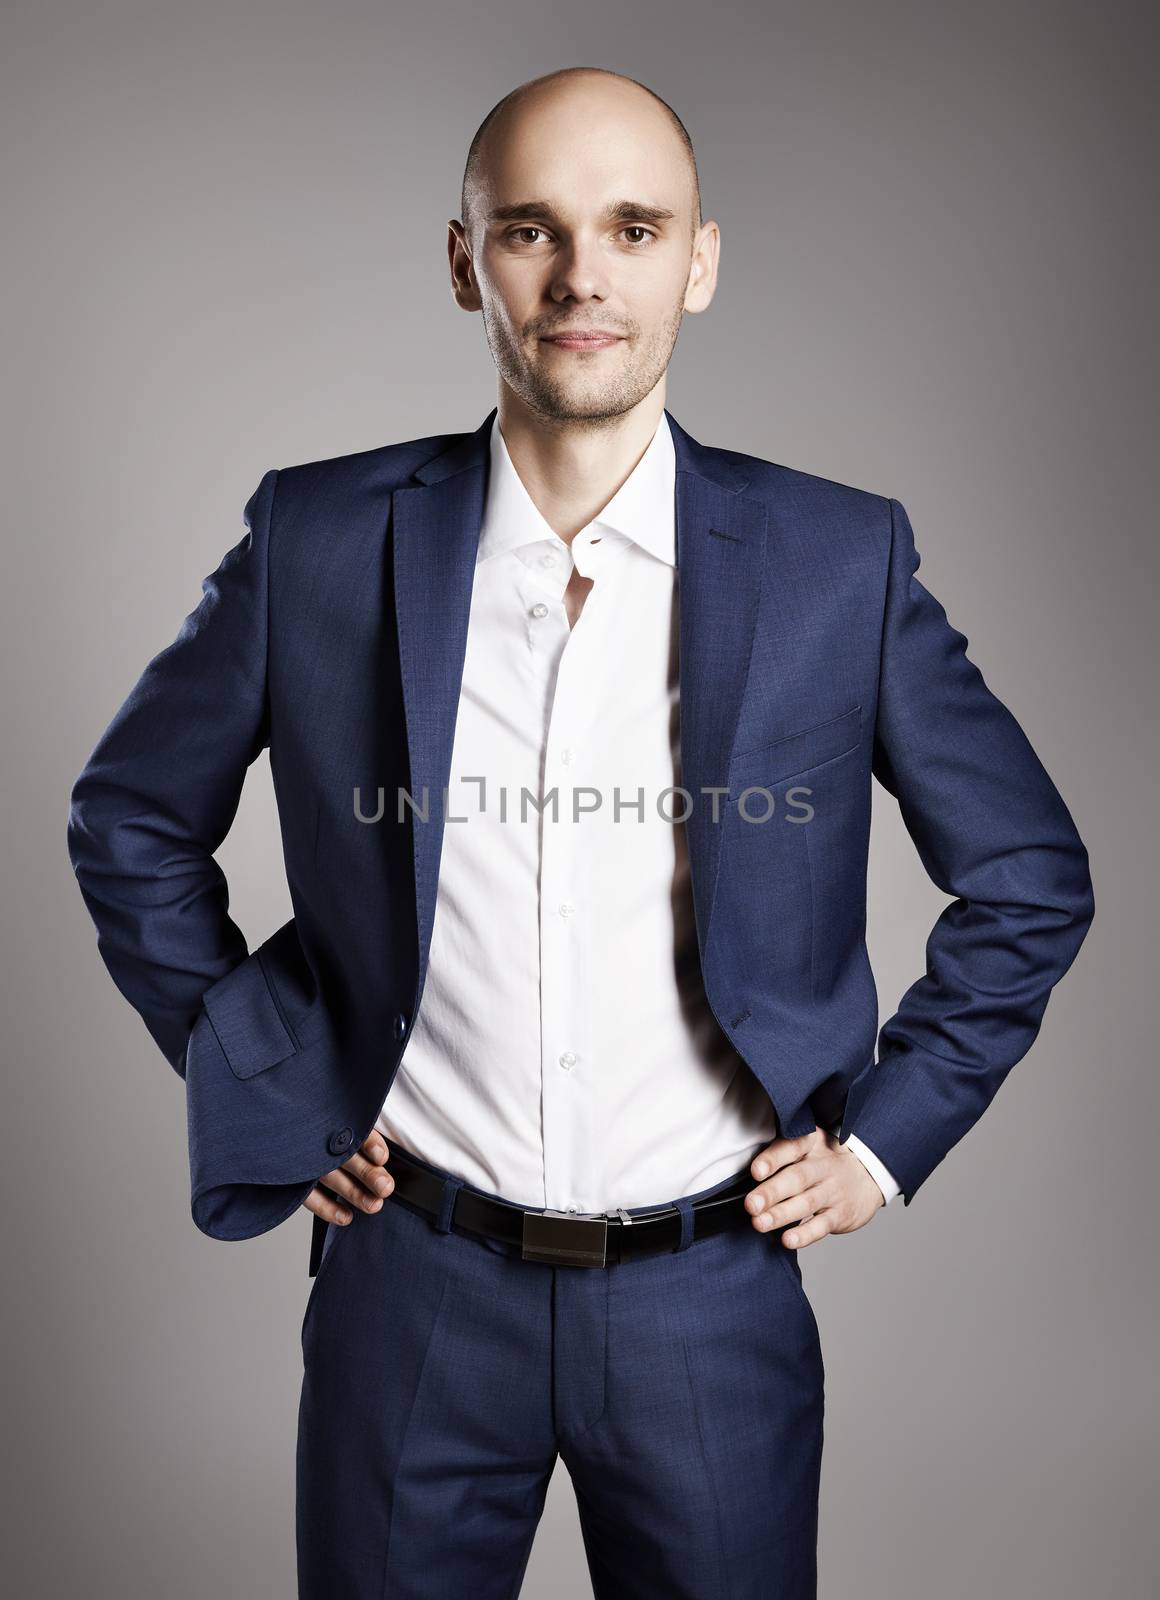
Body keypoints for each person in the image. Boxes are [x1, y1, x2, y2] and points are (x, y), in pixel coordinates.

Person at [66, 64, 1095, 1600]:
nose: (583, 278)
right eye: (534, 231)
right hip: (409, 1292)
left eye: (633, 227)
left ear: (701, 261)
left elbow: (1028, 877)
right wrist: (265, 1074)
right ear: (468, 259)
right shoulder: (321, 539)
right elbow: (130, 814)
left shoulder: (837, 560)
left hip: (709, 1304)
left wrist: (885, 1146)